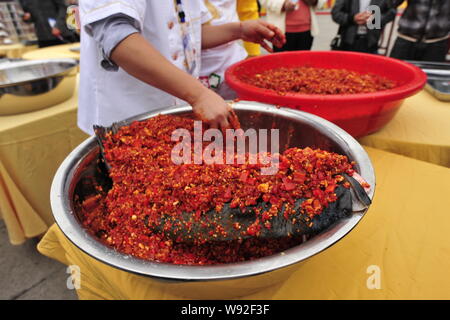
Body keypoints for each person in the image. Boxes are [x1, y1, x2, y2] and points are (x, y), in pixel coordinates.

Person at [78, 1, 285, 134]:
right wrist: (198, 95)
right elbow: (117, 39)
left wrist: (239, 30)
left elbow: (190, 35)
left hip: (175, 113)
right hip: (129, 114)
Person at [200, 0, 248, 100]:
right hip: (199, 72)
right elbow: (193, 35)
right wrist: (241, 31)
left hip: (232, 60)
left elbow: (247, 7)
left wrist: (253, 52)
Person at [331, 0, 396, 53]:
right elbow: (336, 13)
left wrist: (375, 19)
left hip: (371, 43)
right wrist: (352, 18)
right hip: (347, 42)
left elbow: (392, 13)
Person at [260, 0, 326, 52]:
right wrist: (282, 4)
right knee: (282, 64)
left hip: (307, 30)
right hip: (280, 31)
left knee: (303, 64)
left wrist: (315, 1)